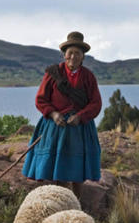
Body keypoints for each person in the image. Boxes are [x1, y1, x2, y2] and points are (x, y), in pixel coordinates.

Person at [21, 31, 102, 200]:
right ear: (64, 55)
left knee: (77, 172)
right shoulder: (53, 74)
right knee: (59, 170)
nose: (73, 57)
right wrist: (53, 114)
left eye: (77, 53)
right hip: (56, 126)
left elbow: (96, 104)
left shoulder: (88, 77)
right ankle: (60, 203)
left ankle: (77, 203)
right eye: (70, 53)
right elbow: (41, 99)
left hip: (79, 128)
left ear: (83, 57)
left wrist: (80, 116)